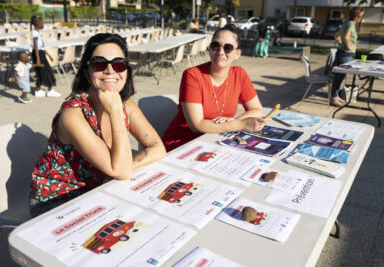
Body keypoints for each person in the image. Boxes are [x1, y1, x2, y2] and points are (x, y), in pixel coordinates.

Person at [30, 33, 167, 217]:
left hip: (99, 192)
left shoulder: (125, 103)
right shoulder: (73, 115)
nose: (110, 71)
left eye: (119, 64)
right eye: (100, 64)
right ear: (87, 72)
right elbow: (122, 171)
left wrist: (125, 165)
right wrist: (115, 112)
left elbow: (158, 148)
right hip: (57, 201)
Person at [162, 24, 269, 152]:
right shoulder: (193, 75)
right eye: (215, 45)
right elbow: (197, 125)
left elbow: (257, 109)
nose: (220, 52)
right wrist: (239, 125)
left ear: (237, 54)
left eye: (228, 48)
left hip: (213, 141)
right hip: (182, 144)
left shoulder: (239, 74)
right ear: (209, 49)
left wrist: (233, 122)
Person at [330, 7, 365, 107]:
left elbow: (336, 35)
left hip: (341, 52)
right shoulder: (350, 24)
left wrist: (340, 43)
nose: (362, 18)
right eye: (361, 16)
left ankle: (335, 96)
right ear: (356, 16)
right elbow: (346, 37)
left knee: (338, 77)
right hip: (346, 54)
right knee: (339, 77)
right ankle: (334, 98)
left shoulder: (346, 23)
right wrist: (349, 45)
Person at [30, 15, 61, 98]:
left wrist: (49, 55)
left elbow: (42, 47)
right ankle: (50, 90)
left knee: (41, 72)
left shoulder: (37, 33)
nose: (43, 24)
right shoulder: (34, 33)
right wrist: (38, 60)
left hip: (40, 53)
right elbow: (36, 48)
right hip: (38, 55)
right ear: (37, 23)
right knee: (47, 71)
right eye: (42, 23)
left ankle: (38, 90)